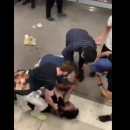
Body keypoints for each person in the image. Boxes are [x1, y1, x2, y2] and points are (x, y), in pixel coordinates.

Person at [90, 51, 112, 122]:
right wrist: (99, 55)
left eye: (99, 72)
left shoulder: (111, 79)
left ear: (106, 72)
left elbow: (108, 96)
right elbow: (108, 52)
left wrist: (99, 83)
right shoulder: (110, 57)